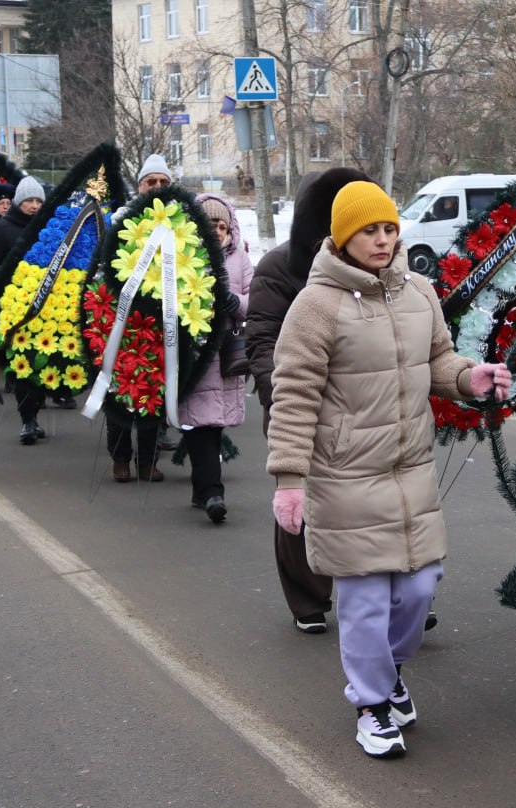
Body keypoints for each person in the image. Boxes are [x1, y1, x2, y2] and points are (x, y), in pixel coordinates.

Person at [267, 180, 511, 759]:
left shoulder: (419, 292)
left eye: (388, 229)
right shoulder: (315, 305)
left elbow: (440, 359)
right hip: (345, 476)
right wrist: (289, 481)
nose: (381, 241)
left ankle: (390, 671)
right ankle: (372, 706)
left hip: (411, 472)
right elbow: (294, 394)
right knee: (366, 602)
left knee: (418, 589)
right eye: (368, 231)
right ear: (342, 237)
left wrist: (466, 378)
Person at [248, 168, 368, 634]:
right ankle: (307, 596)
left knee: (376, 503)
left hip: (365, 407)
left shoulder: (374, 268)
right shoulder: (279, 269)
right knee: (300, 503)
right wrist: (284, 405)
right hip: (300, 406)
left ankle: (390, 593)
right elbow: (261, 342)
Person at [179, 193, 251, 523]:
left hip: (224, 355)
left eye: (223, 225)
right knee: (198, 422)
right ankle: (213, 493)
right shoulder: (181, 255)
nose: (218, 230)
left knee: (209, 423)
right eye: (211, 224)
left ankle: (203, 488)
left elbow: (257, 298)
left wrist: (234, 302)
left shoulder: (239, 259)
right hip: (191, 353)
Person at [107, 154, 173, 481]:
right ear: (140, 186)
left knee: (153, 397)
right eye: (152, 182)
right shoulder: (119, 222)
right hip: (124, 323)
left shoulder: (182, 224)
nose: (158, 188)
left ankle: (148, 461)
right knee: (121, 395)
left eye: (164, 182)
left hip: (162, 325)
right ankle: (120, 458)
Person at [0, 176, 62, 443]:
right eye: (28, 201)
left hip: (50, 308)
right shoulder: (3, 229)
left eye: (38, 201)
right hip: (16, 308)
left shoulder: (51, 228)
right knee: (23, 366)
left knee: (43, 362)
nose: (33, 206)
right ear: (18, 203)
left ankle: (39, 409)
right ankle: (27, 421)